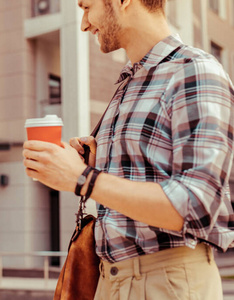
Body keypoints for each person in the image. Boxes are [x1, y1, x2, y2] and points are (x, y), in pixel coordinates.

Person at [23, 0, 234, 299]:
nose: (84, 23)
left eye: (87, 7)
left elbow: (198, 205)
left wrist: (83, 178)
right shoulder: (128, 82)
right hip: (111, 280)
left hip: (167, 281)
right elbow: (145, 180)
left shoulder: (194, 70)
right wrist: (98, 163)